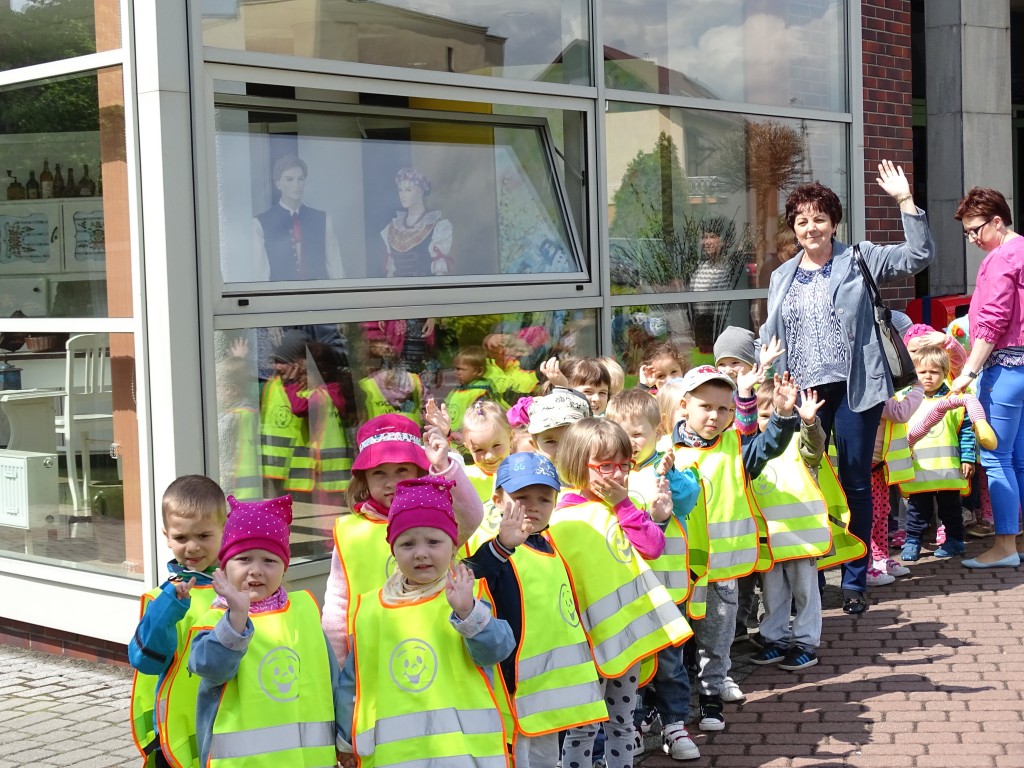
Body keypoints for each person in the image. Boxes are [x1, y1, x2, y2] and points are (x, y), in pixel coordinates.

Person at [758, 160, 936, 614]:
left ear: (834, 222)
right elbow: (773, 333)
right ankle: (814, 576)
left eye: (819, 218)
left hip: (856, 387)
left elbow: (918, 258)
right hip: (804, 394)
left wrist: (904, 201)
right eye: (801, 220)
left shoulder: (859, 257)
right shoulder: (783, 276)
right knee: (810, 482)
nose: (810, 227)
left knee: (855, 479)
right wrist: (762, 371)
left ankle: (855, 577)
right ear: (793, 229)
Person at [337, 476, 515, 766]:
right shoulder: (371, 607)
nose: (421, 553)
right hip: (395, 756)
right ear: (392, 550)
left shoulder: (464, 595)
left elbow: (498, 650)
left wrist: (468, 612)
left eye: (433, 541)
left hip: (461, 753)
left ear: (453, 545)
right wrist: (345, 740)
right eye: (407, 543)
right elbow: (353, 681)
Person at [550, 418, 691, 768]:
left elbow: (653, 546)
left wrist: (626, 506)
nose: (616, 475)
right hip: (587, 642)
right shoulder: (562, 516)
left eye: (623, 465)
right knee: (583, 728)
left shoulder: (622, 507)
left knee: (622, 722)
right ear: (578, 465)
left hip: (628, 637)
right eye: (605, 466)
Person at [671, 365, 799, 731]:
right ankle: (669, 706)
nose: (715, 416)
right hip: (679, 570)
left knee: (718, 636)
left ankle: (711, 697)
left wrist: (784, 414)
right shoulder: (666, 448)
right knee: (676, 639)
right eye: (705, 406)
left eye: (724, 409)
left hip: (723, 571)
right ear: (684, 405)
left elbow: (769, 445)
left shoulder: (736, 447)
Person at [184, 495, 347, 767]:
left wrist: (344, 738)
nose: (256, 571)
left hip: (309, 760)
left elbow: (331, 680)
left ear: (284, 567)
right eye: (244, 558)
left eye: (270, 561)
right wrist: (236, 618)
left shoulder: (304, 609)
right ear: (224, 566)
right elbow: (210, 668)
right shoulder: (215, 618)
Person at [468, 454, 608, 767]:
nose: (533, 506)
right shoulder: (494, 544)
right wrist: (503, 544)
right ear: (497, 499)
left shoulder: (553, 544)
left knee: (546, 758)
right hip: (512, 683)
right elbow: (471, 572)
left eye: (544, 498)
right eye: (520, 497)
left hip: (547, 689)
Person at [320, 414, 484, 664]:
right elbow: (337, 603)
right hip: (371, 650)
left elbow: (471, 515)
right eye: (379, 473)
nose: (391, 482)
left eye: (401, 470)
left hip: (435, 641)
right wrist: (339, 661)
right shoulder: (348, 530)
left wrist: (443, 465)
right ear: (364, 478)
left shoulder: (436, 518)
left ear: (418, 470)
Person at [604, 390, 703, 761]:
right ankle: (634, 720)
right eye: (620, 434)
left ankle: (675, 724)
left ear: (657, 430)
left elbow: (688, 498)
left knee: (669, 662)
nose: (629, 444)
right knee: (632, 662)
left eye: (637, 435)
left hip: (663, 588)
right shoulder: (607, 474)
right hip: (623, 590)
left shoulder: (666, 467)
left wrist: (671, 475)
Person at [128, 476, 227, 768]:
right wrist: (169, 609)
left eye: (204, 536)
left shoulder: (241, 591)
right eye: (181, 538)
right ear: (167, 536)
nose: (192, 547)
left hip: (229, 729)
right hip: (176, 737)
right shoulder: (162, 598)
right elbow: (144, 661)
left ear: (225, 528)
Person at [950, 187, 1024, 568]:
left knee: (996, 458)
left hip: (1007, 368)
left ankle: (1005, 546)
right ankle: (1017, 541)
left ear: (998, 221)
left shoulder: (1001, 259)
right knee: (1018, 459)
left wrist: (969, 371)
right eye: (967, 233)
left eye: (976, 230)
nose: (973, 238)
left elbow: (993, 322)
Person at [747, 378, 830, 671]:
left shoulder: (798, 444)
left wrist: (809, 423)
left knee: (805, 593)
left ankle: (806, 642)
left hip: (801, 537)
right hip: (770, 539)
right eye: (765, 416)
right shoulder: (754, 451)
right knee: (772, 593)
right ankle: (776, 639)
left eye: (777, 415)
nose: (770, 424)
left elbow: (815, 446)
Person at [898, 343, 974, 562]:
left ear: (945, 372)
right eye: (923, 372)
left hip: (948, 471)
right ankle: (912, 541)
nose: (928, 377)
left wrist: (968, 457)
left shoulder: (955, 399)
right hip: (918, 470)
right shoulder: (905, 399)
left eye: (934, 372)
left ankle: (955, 542)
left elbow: (966, 430)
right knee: (916, 511)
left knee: (951, 510)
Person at [252, 154, 344, 281]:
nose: (296, 185)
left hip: (320, 296)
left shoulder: (323, 219)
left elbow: (336, 269)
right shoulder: (260, 224)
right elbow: (260, 277)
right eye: (289, 179)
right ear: (278, 184)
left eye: (300, 179)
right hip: (282, 297)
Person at [459, 400, 514, 554]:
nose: (489, 456)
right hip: (475, 563)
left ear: (511, 437)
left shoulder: (523, 474)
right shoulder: (463, 479)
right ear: (467, 448)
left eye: (496, 446)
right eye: (479, 450)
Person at [381, 167, 453, 277]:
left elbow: (440, 275)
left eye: (408, 190)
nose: (402, 195)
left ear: (420, 191)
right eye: (400, 190)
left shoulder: (438, 227)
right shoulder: (392, 228)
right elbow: (391, 273)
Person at [688, 217, 743, 353]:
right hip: (702, 333)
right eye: (704, 237)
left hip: (723, 332)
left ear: (724, 241)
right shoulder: (700, 267)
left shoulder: (730, 268)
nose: (707, 242)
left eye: (712, 237)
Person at [525, 386, 591, 463]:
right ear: (535, 445)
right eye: (551, 441)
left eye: (571, 440)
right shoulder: (531, 474)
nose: (562, 450)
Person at [444, 345, 494, 433]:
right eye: (455, 368)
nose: (457, 372)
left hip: (470, 439)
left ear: (479, 371)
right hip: (452, 438)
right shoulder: (457, 391)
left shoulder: (480, 393)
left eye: (460, 369)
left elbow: (481, 419)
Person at [540, 356, 613, 416]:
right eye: (587, 391)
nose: (596, 398)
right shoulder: (556, 416)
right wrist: (562, 389)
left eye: (602, 393)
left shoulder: (607, 421)